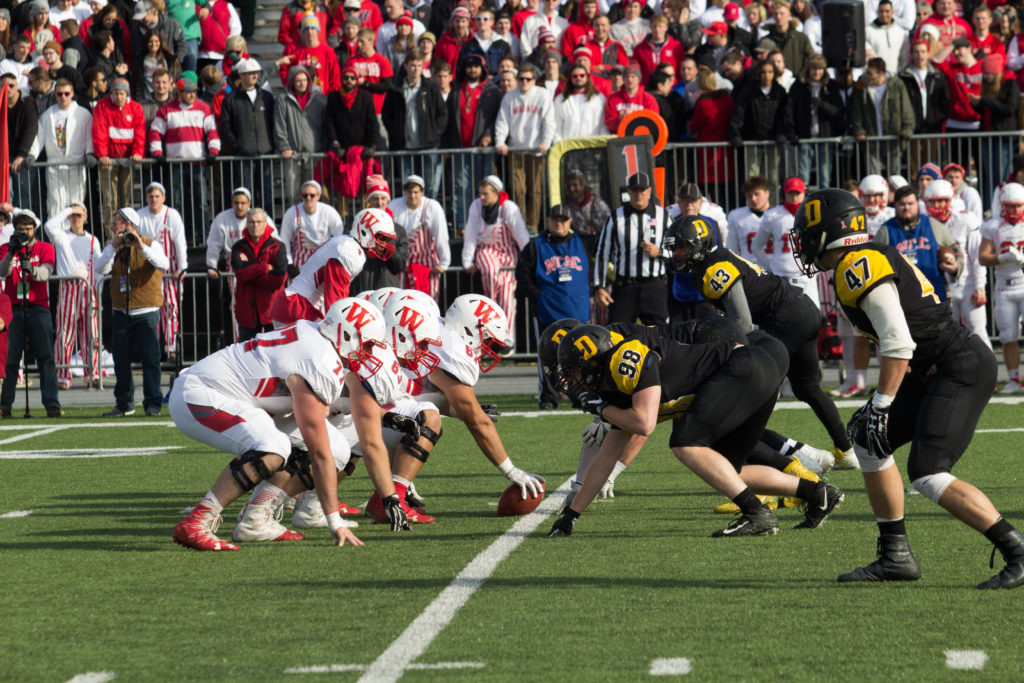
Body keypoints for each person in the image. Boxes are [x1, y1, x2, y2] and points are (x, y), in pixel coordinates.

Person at [791, 187, 1024, 589]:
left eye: (809, 233)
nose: (805, 243)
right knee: (867, 442)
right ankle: (895, 555)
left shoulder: (858, 261)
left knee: (928, 472)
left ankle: (1017, 550)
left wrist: (881, 403)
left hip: (954, 364)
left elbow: (898, 341)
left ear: (830, 231)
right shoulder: (863, 256)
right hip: (933, 365)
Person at [547, 322, 842, 538]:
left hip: (745, 367)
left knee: (684, 443)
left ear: (593, 361)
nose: (571, 380)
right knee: (729, 471)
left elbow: (644, 423)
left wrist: (600, 409)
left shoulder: (625, 360)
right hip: (754, 371)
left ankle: (756, 513)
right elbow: (605, 459)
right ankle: (817, 493)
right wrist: (572, 515)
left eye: (572, 371)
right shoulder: (612, 390)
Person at [171, 298, 411, 550]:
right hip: (201, 392)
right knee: (275, 446)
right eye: (369, 344)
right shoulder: (318, 360)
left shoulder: (318, 340)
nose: (370, 352)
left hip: (239, 398)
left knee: (338, 448)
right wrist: (334, 519)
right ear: (346, 334)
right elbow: (317, 450)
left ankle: (255, 520)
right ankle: (198, 521)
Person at [671, 213, 857, 467]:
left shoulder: (714, 269)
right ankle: (845, 452)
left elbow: (743, 323)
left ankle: (797, 465)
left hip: (785, 320)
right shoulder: (714, 261)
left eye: (682, 247)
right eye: (675, 247)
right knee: (807, 388)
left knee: (746, 402)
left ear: (701, 245)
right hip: (802, 309)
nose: (677, 254)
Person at [364, 292, 545, 522]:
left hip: (368, 407)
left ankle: (382, 496)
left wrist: (463, 409)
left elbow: (419, 394)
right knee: (427, 420)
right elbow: (477, 423)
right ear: (470, 329)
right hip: (361, 413)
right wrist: (511, 470)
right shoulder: (451, 348)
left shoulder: (439, 332)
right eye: (487, 340)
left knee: (424, 415)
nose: (487, 349)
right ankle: (391, 500)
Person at [95, 207, 169, 418]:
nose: (111, 226)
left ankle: (152, 403)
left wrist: (141, 245)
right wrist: (112, 247)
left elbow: (163, 263)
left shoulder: (151, 243)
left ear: (128, 225)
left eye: (116, 222)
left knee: (150, 359)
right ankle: (124, 403)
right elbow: (100, 268)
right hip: (121, 311)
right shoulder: (114, 247)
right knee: (121, 359)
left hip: (146, 311)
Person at [517, 204, 590, 408]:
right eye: (555, 220)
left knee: (580, 357)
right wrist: (539, 296)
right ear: (548, 221)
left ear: (570, 222)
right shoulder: (535, 245)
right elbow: (522, 275)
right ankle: (548, 397)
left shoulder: (582, 241)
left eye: (563, 220)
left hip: (577, 310)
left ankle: (579, 396)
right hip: (547, 311)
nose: (559, 223)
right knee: (548, 357)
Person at [271, 208, 395, 326]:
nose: (384, 245)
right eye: (382, 238)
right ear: (364, 231)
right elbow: (335, 299)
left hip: (292, 304)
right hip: (297, 307)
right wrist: (339, 320)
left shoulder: (345, 242)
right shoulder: (350, 251)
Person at [0, 211, 61, 418]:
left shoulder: (45, 247)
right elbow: (3, 272)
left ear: (35, 228)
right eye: (19, 229)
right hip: (15, 308)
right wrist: (12, 253)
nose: (23, 233)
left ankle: (51, 403)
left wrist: (33, 270)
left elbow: (46, 272)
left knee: (45, 357)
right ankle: (5, 405)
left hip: (38, 306)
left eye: (27, 229)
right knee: (11, 359)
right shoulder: (6, 248)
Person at [147, 71, 221, 241]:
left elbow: (212, 132)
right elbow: (155, 133)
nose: (192, 94)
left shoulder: (203, 108)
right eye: (188, 92)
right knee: (176, 203)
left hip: (197, 164)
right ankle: (177, 237)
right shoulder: (166, 110)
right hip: (175, 165)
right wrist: (157, 153)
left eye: (194, 91)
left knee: (200, 203)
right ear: (178, 92)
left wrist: (213, 151)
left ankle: (202, 237)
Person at [592, 172, 671, 326]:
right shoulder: (615, 217)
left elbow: (678, 251)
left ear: (649, 191)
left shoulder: (663, 216)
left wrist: (659, 252)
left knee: (660, 336)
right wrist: (599, 286)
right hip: (625, 286)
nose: (638, 194)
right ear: (628, 191)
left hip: (654, 286)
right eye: (634, 190)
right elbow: (603, 252)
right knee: (616, 334)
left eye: (642, 190)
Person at [461, 176, 531, 349]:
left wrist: (530, 257)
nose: (482, 198)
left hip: (507, 251)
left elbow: (521, 234)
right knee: (492, 274)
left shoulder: (508, 208)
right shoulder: (476, 206)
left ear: (496, 193)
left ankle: (507, 336)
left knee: (507, 293)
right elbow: (470, 233)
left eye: (486, 194)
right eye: (481, 194)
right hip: (486, 249)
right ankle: (490, 330)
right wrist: (467, 260)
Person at [44, 205, 101, 390]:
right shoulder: (62, 236)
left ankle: (93, 374)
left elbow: (99, 268)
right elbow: (48, 226)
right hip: (69, 287)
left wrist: (98, 291)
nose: (76, 218)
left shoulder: (93, 240)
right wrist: (68, 210)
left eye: (79, 215)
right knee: (64, 335)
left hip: (89, 289)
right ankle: (62, 375)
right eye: (73, 215)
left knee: (91, 335)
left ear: (85, 216)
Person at [494, 62, 555, 236]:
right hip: (516, 150)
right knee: (518, 189)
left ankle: (532, 225)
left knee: (535, 190)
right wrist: (500, 142)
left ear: (534, 80)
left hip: (536, 150)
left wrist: (545, 142)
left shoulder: (542, 95)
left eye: (528, 79)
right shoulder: (510, 97)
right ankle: (519, 224)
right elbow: (502, 121)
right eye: (521, 79)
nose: (524, 82)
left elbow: (549, 121)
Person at [979, 183, 1024, 394]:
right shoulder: (993, 225)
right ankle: (1014, 379)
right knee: (1007, 336)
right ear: (1002, 206)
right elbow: (982, 257)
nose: (1014, 211)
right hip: (1004, 287)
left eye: (1018, 206)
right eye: (1009, 206)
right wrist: (1003, 257)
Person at [136, 182, 188, 362]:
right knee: (151, 311)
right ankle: (153, 349)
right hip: (149, 273)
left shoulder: (171, 215)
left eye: (157, 196)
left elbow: (180, 243)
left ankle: (172, 348)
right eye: (150, 197)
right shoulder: (140, 215)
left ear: (163, 198)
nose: (154, 200)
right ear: (146, 198)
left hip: (169, 272)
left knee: (171, 309)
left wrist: (182, 268)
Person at [27, 78, 92, 220]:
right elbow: (39, 138)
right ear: (55, 94)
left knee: (76, 204)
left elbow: (89, 137)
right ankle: (56, 240)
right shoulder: (47, 115)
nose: (63, 97)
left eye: (66, 94)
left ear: (72, 93)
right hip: (54, 165)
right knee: (56, 203)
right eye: (60, 94)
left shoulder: (83, 114)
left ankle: (74, 239)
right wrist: (32, 154)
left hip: (76, 164)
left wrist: (90, 153)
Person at [752, 177, 818, 307]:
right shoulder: (773, 215)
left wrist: (817, 267)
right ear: (784, 193)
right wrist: (771, 265)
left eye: (797, 193)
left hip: (806, 277)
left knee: (812, 320)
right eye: (790, 193)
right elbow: (756, 246)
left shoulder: (814, 214)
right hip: (782, 278)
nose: (794, 197)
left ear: (804, 193)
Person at [219, 57, 275, 202]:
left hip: (265, 154)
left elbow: (273, 122)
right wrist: (237, 146)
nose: (255, 76)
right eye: (251, 73)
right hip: (243, 156)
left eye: (256, 73)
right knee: (245, 196)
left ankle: (267, 224)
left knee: (266, 196)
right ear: (241, 76)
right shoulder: (230, 99)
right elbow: (225, 126)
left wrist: (271, 145)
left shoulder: (267, 97)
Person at [849, 58, 915, 178]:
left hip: (893, 137)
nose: (867, 75)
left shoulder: (896, 84)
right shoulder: (861, 84)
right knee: (874, 178)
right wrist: (859, 130)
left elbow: (906, 108)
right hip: (871, 138)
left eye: (870, 73)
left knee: (895, 178)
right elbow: (856, 111)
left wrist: (907, 129)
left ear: (881, 73)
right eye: (866, 72)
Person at [388, 174, 449, 299]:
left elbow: (441, 235)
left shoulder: (432, 207)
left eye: (416, 192)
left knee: (427, 303)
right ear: (404, 192)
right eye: (409, 192)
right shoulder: (394, 206)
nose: (412, 196)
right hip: (404, 265)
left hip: (427, 267)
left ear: (422, 192)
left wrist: (444, 262)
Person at [230, 208, 286, 341]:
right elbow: (240, 275)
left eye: (259, 222)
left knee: (274, 354)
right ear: (247, 224)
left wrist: (250, 271)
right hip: (247, 314)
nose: (255, 225)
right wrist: (265, 267)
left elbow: (278, 279)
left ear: (266, 223)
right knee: (246, 355)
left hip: (271, 312)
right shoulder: (238, 247)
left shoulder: (278, 247)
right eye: (251, 222)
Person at [273, 65, 327, 205]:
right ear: (292, 81)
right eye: (298, 80)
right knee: (293, 194)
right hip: (292, 155)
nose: (302, 83)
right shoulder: (283, 99)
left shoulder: (318, 100)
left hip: (313, 155)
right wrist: (284, 146)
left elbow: (323, 126)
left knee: (313, 193)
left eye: (305, 80)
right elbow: (279, 125)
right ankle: (295, 224)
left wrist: (321, 147)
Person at [349, 176, 408, 292]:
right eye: (375, 198)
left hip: (387, 289)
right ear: (368, 200)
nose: (379, 203)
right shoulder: (355, 225)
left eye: (383, 198)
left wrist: (387, 247)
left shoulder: (398, 230)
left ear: (388, 200)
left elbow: (399, 266)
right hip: (360, 288)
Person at [278, 179, 344, 268]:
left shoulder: (328, 212)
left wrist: (335, 257)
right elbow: (284, 239)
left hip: (323, 260)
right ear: (301, 196)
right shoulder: (292, 212)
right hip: (300, 262)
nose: (308, 198)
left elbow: (339, 236)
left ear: (318, 196)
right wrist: (289, 263)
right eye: (305, 195)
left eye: (312, 195)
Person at [2, 74, 39, 214]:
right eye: (4, 86)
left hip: (22, 156)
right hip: (4, 157)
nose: (8, 89)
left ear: (17, 86)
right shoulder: (0, 103)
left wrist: (21, 154)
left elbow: (31, 129)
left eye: (11, 85)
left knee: (24, 197)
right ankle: (6, 231)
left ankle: (25, 231)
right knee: (6, 199)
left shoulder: (27, 102)